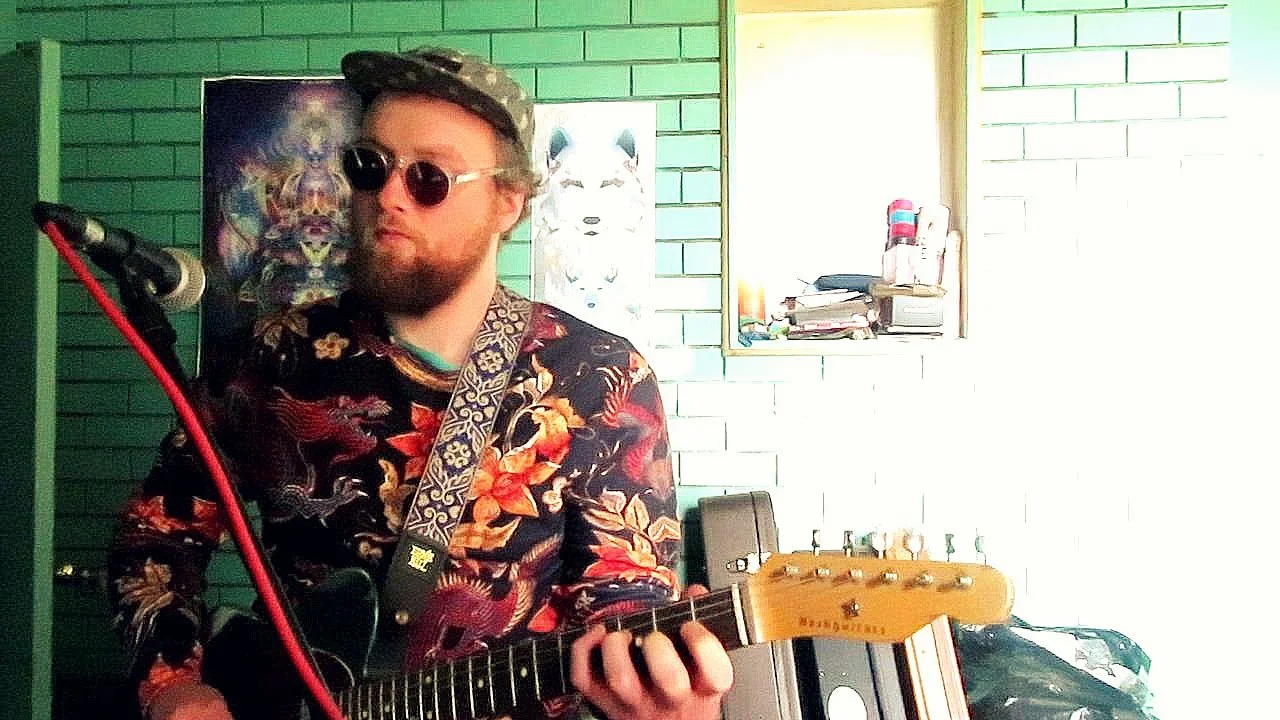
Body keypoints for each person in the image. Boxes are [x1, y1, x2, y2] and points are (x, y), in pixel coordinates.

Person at [107, 46, 733, 720]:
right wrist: (173, 686)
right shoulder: (271, 357)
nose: (388, 196)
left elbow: (625, 612)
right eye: (369, 166)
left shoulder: (601, 379)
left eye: (430, 177)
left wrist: (662, 703)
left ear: (508, 203)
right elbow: (157, 535)